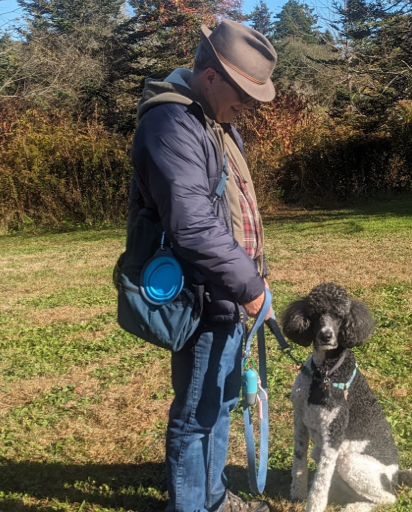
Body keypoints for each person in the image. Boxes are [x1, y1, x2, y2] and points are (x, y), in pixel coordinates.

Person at [128, 19, 277, 512]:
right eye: (243, 95)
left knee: (221, 403)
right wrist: (250, 285)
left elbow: (229, 210)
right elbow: (192, 225)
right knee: (197, 415)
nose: (248, 108)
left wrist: (250, 277)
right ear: (210, 77)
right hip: (203, 292)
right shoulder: (170, 123)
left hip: (226, 291)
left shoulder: (211, 119)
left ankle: (213, 497)